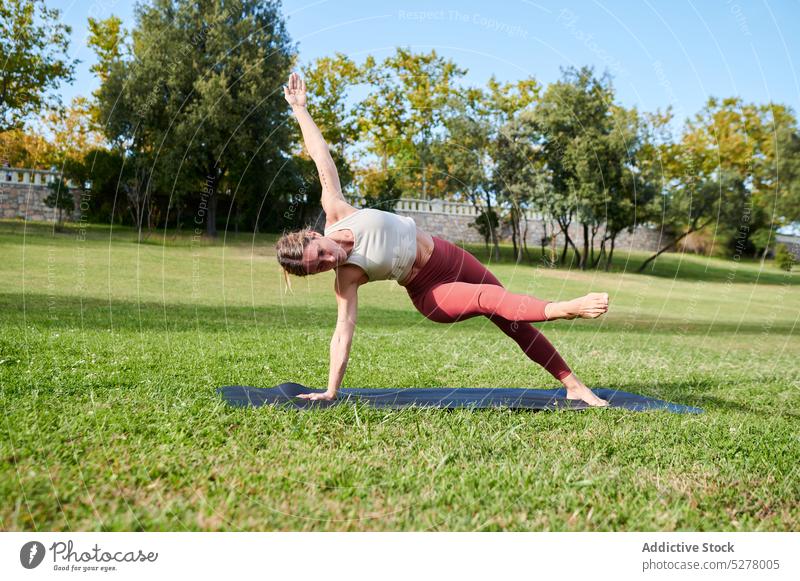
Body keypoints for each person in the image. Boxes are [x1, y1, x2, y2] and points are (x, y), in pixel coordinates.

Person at [277, 72, 610, 407]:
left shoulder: (337, 209)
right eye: (319, 267)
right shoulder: (346, 279)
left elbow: (320, 155)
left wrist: (300, 110)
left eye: (320, 253)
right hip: (430, 292)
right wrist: (332, 390)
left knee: (513, 320)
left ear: (313, 235)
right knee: (487, 298)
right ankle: (563, 309)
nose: (328, 261)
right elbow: (342, 332)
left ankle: (574, 386)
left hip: (448, 256)